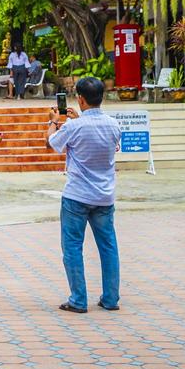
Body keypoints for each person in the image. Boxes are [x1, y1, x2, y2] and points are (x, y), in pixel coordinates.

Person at [46, 76, 123, 314]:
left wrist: (53, 121)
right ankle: (110, 299)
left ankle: (78, 299)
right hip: (104, 195)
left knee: (72, 247)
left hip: (77, 195)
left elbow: (52, 143)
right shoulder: (113, 124)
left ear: (80, 99)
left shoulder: (73, 126)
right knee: (108, 247)